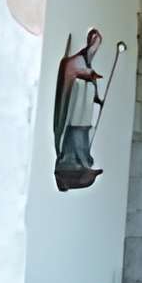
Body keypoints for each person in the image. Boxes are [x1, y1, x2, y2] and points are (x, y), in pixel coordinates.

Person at [53, 27, 107, 186]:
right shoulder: (76, 61)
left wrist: (96, 97)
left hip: (82, 113)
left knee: (80, 132)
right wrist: (89, 75)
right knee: (76, 133)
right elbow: (76, 72)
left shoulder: (85, 62)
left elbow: (90, 81)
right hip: (76, 112)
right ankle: (73, 165)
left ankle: (80, 163)